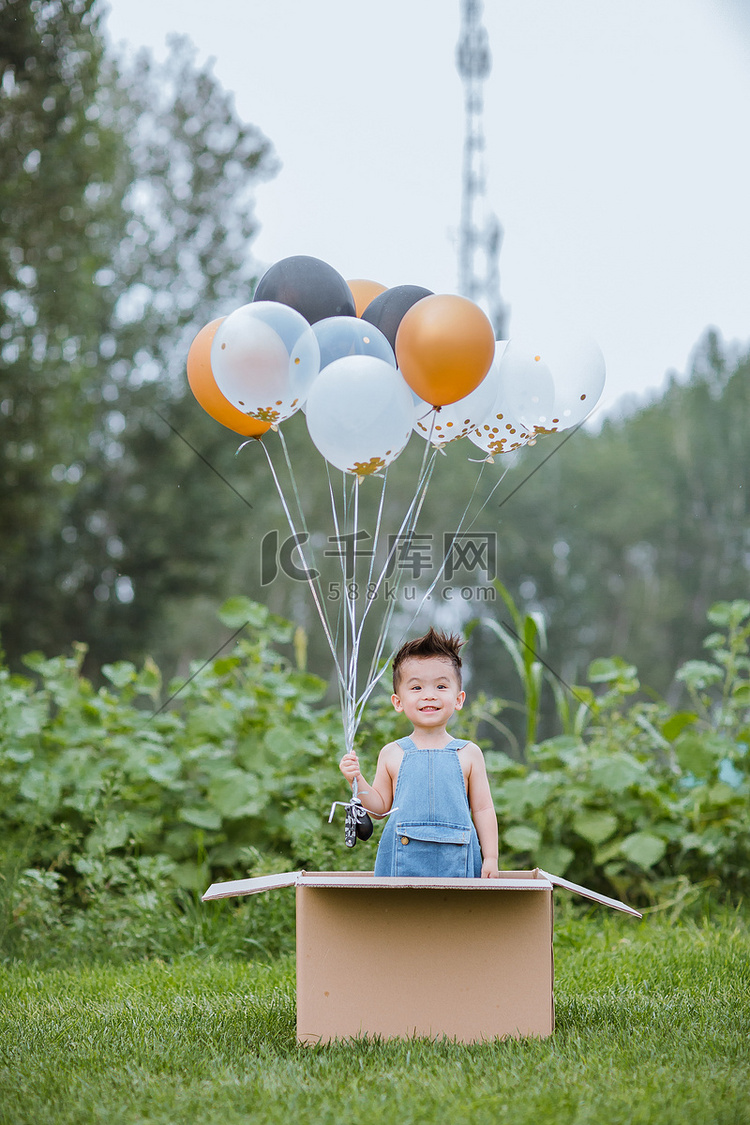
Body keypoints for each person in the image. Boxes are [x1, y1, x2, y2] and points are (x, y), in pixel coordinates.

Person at [339, 627, 500, 878]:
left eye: (440, 686)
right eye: (416, 688)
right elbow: (379, 809)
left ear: (458, 699)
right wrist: (356, 780)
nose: (429, 696)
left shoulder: (469, 753)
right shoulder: (392, 753)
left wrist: (491, 857)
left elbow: (483, 810)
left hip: (458, 857)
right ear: (398, 702)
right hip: (401, 859)